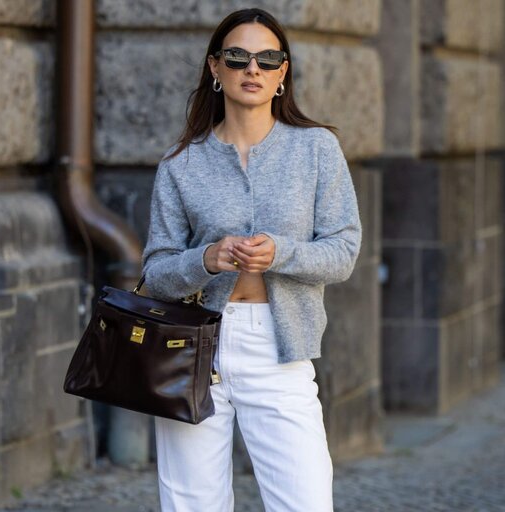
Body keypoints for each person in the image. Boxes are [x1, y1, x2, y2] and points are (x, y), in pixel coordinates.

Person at [141, 7, 362, 512]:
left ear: (283, 73)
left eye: (267, 58)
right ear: (215, 68)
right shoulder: (182, 164)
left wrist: (280, 253)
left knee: (305, 502)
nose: (252, 69)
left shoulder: (316, 150)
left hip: (280, 347)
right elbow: (156, 274)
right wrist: (207, 259)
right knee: (192, 504)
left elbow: (344, 252)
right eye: (238, 57)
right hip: (193, 348)